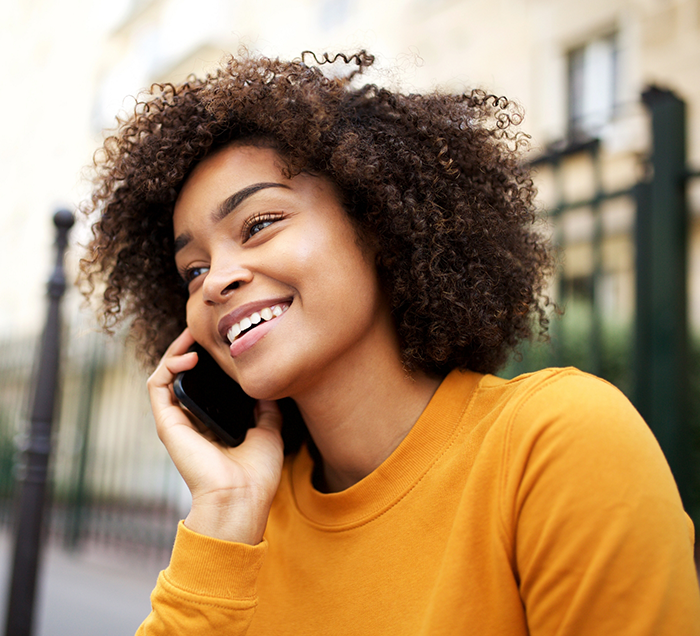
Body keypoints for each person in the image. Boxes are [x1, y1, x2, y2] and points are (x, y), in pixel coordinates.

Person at [79, 50, 700, 634]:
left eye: (260, 224)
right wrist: (225, 512)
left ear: (377, 225)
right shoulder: (244, 526)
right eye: (192, 269)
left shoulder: (556, 442)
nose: (215, 281)